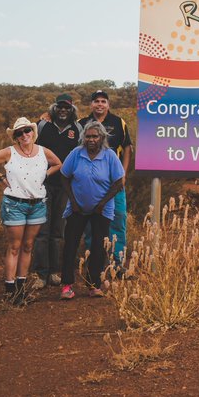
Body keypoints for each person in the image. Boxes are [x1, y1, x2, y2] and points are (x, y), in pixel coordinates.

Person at [0, 117, 62, 303]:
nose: (24, 135)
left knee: (28, 246)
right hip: (14, 204)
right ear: (15, 137)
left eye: (27, 131)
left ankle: (20, 288)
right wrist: (1, 177)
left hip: (37, 204)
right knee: (15, 247)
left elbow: (58, 164)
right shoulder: (9, 152)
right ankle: (10, 291)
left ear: (33, 133)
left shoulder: (43, 152)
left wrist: (45, 174)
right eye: (19, 133)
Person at [59, 120, 125, 299]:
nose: (91, 139)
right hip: (77, 208)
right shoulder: (76, 154)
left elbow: (118, 182)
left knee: (98, 246)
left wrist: (103, 203)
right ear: (83, 138)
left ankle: (93, 285)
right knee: (71, 245)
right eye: (87, 136)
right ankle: (67, 285)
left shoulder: (109, 155)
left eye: (95, 136)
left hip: (101, 210)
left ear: (101, 137)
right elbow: (64, 176)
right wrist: (72, 201)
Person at [79, 90, 133, 271]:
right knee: (90, 225)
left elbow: (127, 148)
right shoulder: (81, 124)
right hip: (90, 183)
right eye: (96, 101)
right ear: (91, 104)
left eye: (103, 101)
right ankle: (94, 264)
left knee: (118, 220)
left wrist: (123, 174)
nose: (100, 104)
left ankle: (117, 264)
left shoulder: (119, 123)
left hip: (114, 182)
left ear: (108, 104)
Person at [33, 94, 82, 287]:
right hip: (43, 184)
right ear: (54, 108)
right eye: (60, 107)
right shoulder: (43, 126)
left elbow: (80, 154)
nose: (63, 110)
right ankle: (40, 274)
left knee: (57, 232)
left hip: (65, 186)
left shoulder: (77, 129)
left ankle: (53, 272)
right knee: (42, 231)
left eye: (67, 108)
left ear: (72, 109)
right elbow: (30, 147)